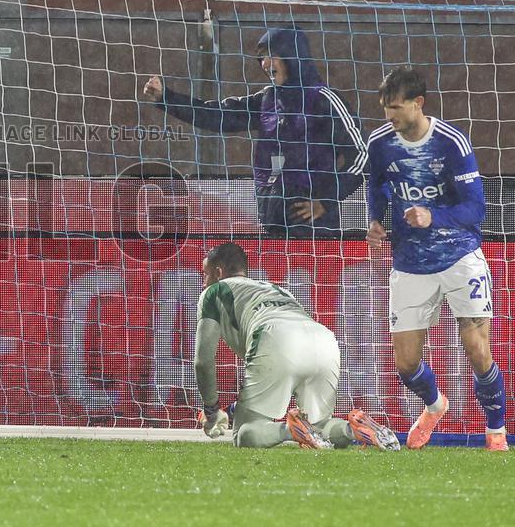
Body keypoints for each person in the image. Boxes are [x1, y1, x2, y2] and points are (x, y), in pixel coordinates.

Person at [365, 67, 507, 451]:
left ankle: (496, 431)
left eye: (395, 107)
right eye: (384, 108)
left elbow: (476, 208)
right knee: (406, 364)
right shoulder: (380, 143)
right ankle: (434, 405)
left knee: (478, 350)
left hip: (461, 256)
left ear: (418, 103)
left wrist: (434, 216)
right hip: (410, 263)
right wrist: (375, 220)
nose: (388, 116)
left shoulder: (451, 143)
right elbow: (376, 183)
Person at [141, 27, 366, 237]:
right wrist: (166, 98)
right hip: (271, 217)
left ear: (293, 56)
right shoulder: (266, 99)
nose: (265, 63)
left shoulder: (324, 100)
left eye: (272, 55)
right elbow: (217, 114)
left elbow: (363, 155)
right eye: (262, 57)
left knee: (314, 279)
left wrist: (326, 201)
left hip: (313, 226)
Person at [195, 242, 399, 450]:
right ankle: (353, 429)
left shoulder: (213, 292)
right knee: (319, 426)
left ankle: (290, 430)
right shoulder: (276, 289)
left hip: (275, 338)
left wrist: (211, 410)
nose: (203, 283)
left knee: (244, 435)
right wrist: (230, 410)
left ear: (218, 272)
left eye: (205, 274)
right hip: (322, 339)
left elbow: (203, 361)